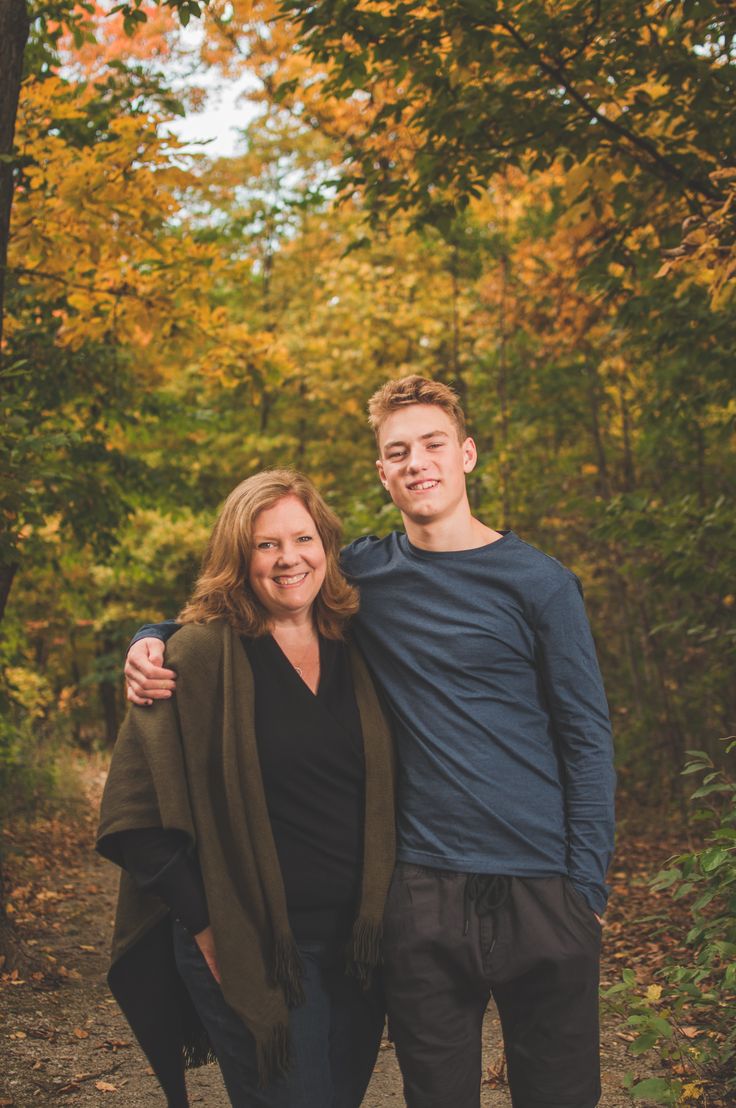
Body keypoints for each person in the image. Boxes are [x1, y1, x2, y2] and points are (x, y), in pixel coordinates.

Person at [125, 376, 616, 1108]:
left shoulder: (540, 584)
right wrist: (153, 639)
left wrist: (587, 887)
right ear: (381, 473)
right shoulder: (362, 573)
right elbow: (259, 586)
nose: (417, 462)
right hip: (417, 890)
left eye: (432, 445)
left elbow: (586, 735)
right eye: (398, 451)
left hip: (541, 883)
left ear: (468, 454)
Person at [98, 470, 395, 1108]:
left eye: (303, 538)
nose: (289, 559)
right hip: (251, 944)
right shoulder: (195, 657)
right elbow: (138, 820)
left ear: (327, 547)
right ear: (238, 557)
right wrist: (209, 929)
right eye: (266, 545)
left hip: (357, 950)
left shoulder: (362, 644)